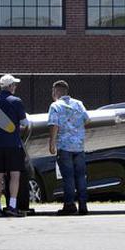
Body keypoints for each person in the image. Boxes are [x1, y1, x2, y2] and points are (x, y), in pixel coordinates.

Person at [47, 80, 89, 215]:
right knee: (81, 176)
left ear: (56, 92)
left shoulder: (55, 106)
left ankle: (69, 205)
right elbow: (87, 119)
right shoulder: (79, 104)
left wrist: (52, 143)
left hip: (64, 146)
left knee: (68, 177)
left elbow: (54, 124)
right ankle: (83, 205)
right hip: (79, 146)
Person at [0, 74, 28, 217]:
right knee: (14, 175)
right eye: (14, 85)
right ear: (11, 86)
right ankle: (12, 206)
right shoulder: (16, 101)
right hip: (13, 144)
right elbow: (25, 123)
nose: (16, 87)